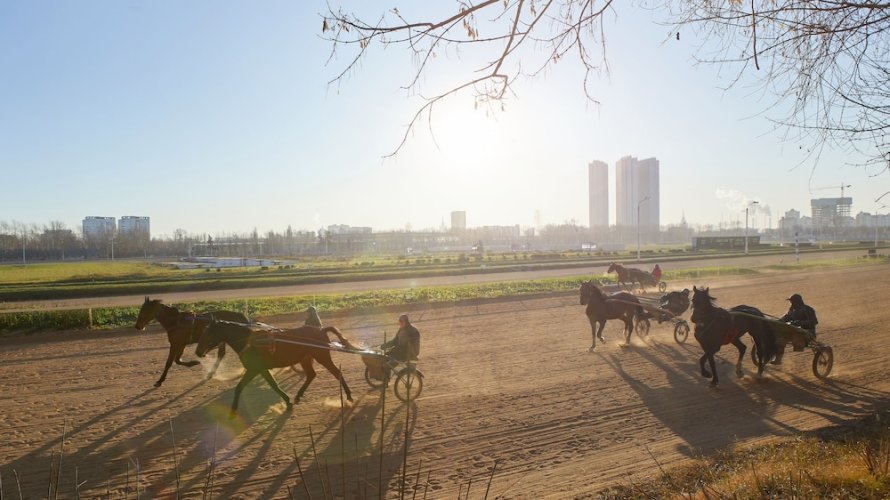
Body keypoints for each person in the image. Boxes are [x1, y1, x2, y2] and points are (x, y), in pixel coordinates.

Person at [772, 293, 818, 364]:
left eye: (792, 301)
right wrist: (778, 321)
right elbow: (786, 317)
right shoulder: (792, 309)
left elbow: (813, 321)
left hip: (808, 333)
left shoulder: (808, 309)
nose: (791, 303)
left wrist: (798, 323)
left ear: (797, 302)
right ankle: (778, 359)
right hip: (794, 332)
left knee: (797, 333)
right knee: (780, 339)